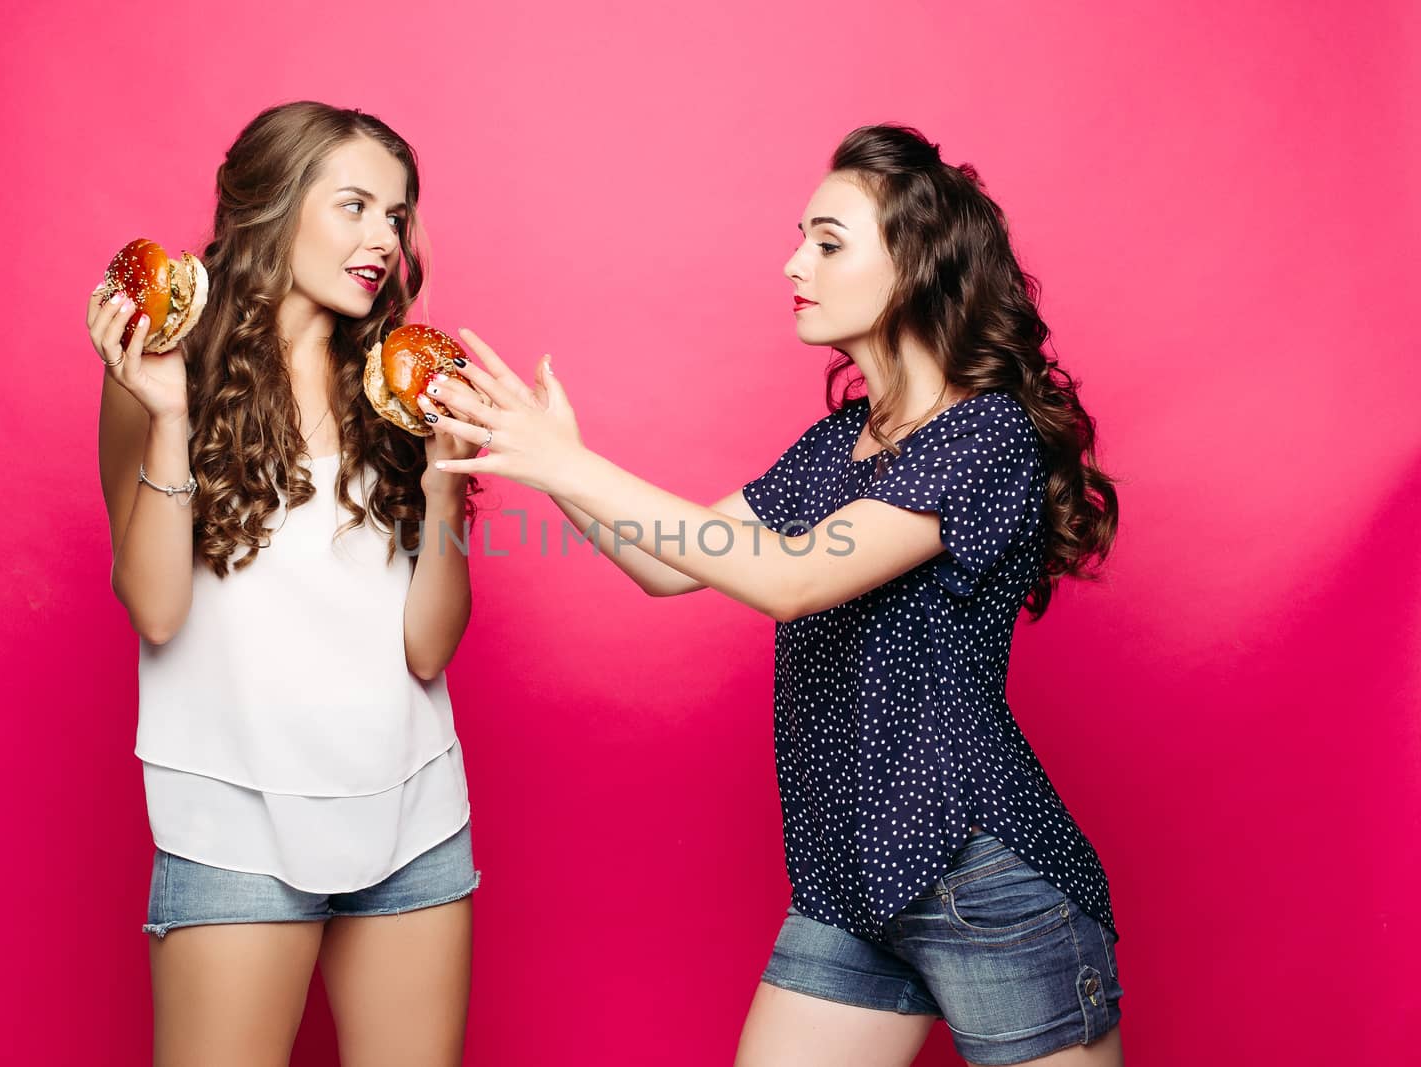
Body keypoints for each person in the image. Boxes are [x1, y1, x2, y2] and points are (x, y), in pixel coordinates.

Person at [423, 124, 1124, 1066]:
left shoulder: (984, 434)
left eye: (829, 243)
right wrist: (554, 467)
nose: (795, 261)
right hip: (851, 879)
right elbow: (671, 564)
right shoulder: (839, 444)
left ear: (915, 266)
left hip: (979, 872)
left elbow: (794, 577)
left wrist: (574, 464)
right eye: (801, 236)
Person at [85, 101, 484, 1067]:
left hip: (413, 817)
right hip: (233, 823)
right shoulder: (155, 361)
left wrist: (443, 481)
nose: (383, 239)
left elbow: (429, 648)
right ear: (273, 203)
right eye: (355, 205)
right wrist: (172, 418)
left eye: (396, 215)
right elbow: (157, 607)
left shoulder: (405, 386)